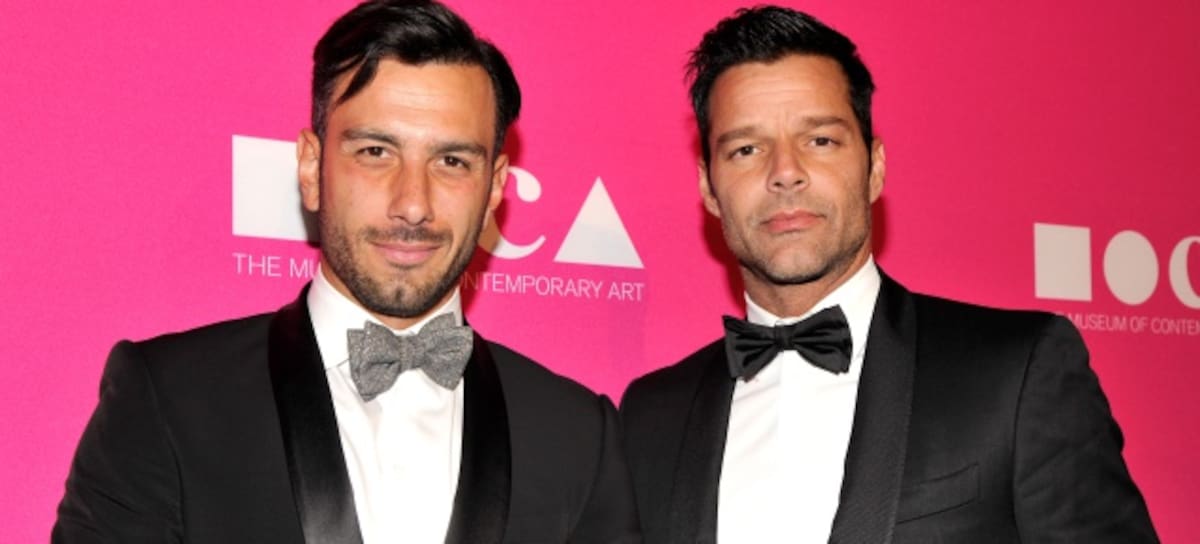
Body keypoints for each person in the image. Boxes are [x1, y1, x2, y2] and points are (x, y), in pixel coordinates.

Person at [52, 1, 639, 542]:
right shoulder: (169, 399)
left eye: (451, 161)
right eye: (375, 152)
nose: (413, 204)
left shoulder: (578, 435)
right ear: (312, 168)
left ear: (494, 189)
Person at [620, 6, 1157, 543]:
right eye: (746, 149)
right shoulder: (651, 418)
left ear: (875, 168)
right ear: (709, 188)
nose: (784, 172)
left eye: (820, 140)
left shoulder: (1016, 373)